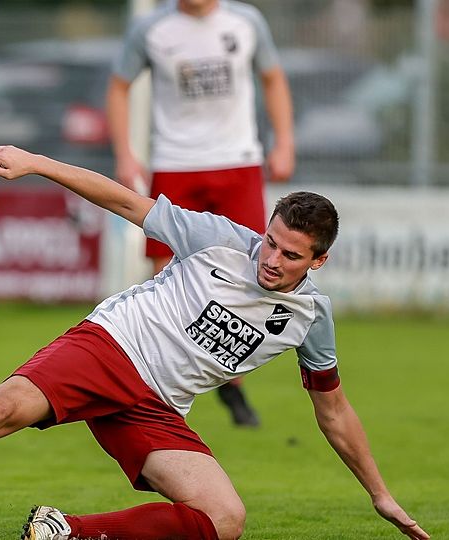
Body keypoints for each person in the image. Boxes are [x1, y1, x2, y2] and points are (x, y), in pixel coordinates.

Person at [0, 146, 429, 540]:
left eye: (290, 254)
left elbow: (333, 410)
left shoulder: (310, 317)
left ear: (319, 260)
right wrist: (39, 163)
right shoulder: (217, 237)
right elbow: (122, 200)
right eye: (270, 241)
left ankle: (65, 531)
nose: (270, 258)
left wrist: (380, 494)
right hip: (112, 345)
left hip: (158, 405)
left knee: (223, 519)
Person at [106, 0, 297, 427]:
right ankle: (148, 379)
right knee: (164, 275)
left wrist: (284, 141)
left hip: (239, 162)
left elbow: (273, 77)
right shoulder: (151, 28)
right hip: (176, 162)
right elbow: (119, 85)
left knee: (252, 273)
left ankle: (233, 385)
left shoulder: (245, 21)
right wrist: (125, 153)